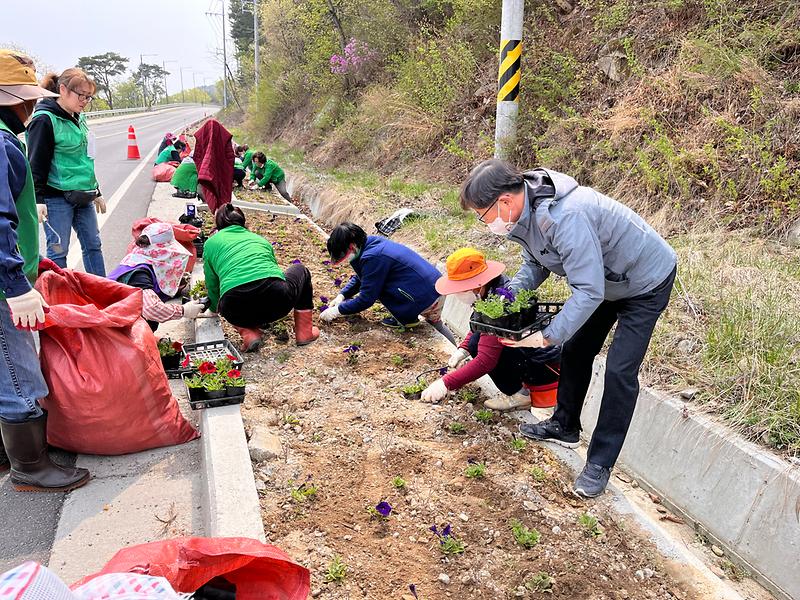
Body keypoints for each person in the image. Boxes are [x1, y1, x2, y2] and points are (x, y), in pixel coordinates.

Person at [459, 159, 677, 498]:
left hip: (645, 280)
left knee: (620, 370)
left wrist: (546, 335)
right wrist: (508, 298)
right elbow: (536, 263)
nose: (485, 222)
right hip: (605, 280)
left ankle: (600, 463)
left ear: (503, 201)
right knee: (576, 350)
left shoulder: (566, 216)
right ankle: (565, 425)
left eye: (483, 214)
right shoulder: (525, 213)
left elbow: (588, 291)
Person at [0, 48, 90, 492]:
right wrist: (15, 283)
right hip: (2, 286)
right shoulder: (0, 142)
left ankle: (11, 453)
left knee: (6, 365)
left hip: (9, 272)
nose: (29, 106)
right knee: (18, 371)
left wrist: (35, 258)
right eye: (21, 99)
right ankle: (29, 466)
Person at [420, 248, 561, 410]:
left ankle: (521, 395)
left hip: (545, 367)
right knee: (474, 343)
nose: (458, 293)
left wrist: (445, 383)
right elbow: (478, 325)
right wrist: (464, 349)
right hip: (536, 356)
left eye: (461, 288)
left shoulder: (500, 305)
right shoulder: (493, 291)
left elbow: (485, 361)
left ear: (476, 286)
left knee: (488, 347)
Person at [203, 204, 319, 351]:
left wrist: (214, 308)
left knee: (229, 293)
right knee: (301, 270)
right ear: (243, 223)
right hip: (278, 302)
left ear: (218, 226)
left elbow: (212, 283)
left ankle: (248, 334)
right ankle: (304, 332)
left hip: (234, 309)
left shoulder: (211, 243)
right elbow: (276, 274)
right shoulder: (260, 240)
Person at [319, 222, 457, 345]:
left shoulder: (373, 257)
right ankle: (460, 354)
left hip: (426, 295)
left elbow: (366, 299)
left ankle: (408, 319)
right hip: (432, 287)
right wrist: (342, 295)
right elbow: (362, 276)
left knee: (379, 289)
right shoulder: (370, 243)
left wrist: (337, 311)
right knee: (437, 324)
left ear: (352, 246)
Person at [27, 67, 106, 276]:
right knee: (58, 251)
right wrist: (38, 199)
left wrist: (96, 190)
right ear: (63, 89)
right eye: (81, 95)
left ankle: (102, 291)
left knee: (93, 245)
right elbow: (36, 163)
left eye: (89, 97)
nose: (84, 101)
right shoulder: (44, 120)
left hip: (83, 194)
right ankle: (61, 301)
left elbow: (85, 158)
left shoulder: (79, 118)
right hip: (56, 197)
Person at [108, 222, 205, 332]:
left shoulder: (137, 257)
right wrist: (184, 310)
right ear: (161, 252)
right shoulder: (139, 275)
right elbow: (151, 309)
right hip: (112, 326)